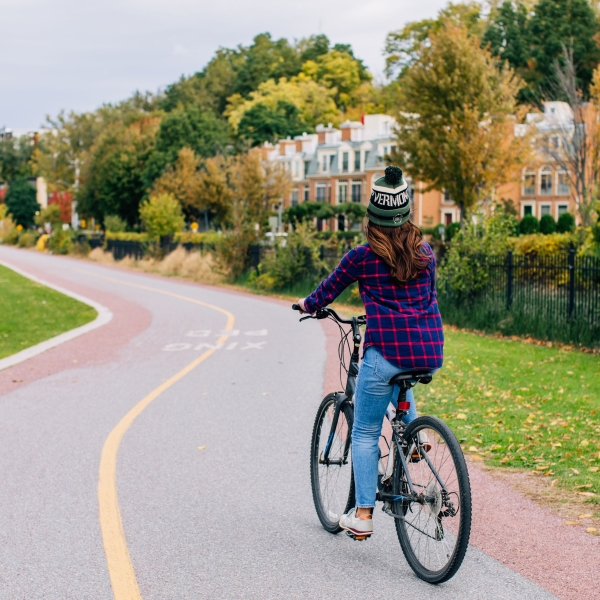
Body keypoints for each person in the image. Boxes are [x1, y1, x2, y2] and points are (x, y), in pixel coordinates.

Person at [297, 165, 443, 539]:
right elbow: (428, 298)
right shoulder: (425, 252)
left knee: (363, 432)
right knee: (402, 370)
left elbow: (326, 292)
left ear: (372, 217)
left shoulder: (362, 257)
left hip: (387, 353)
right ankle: (416, 433)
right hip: (428, 349)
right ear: (407, 213)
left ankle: (363, 514)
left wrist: (307, 304)